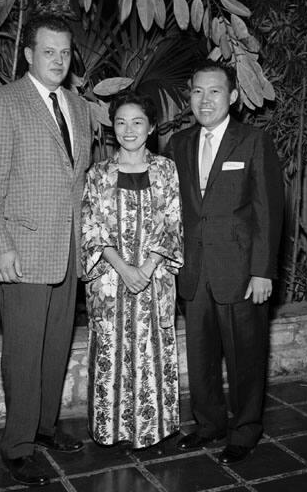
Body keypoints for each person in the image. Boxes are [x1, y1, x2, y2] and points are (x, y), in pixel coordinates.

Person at [0, 13, 93, 486]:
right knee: (23, 351)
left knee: (55, 347)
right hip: (21, 250)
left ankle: (44, 427)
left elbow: (76, 180)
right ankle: (17, 446)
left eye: (65, 53)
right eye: (49, 52)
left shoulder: (78, 107)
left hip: (68, 250)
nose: (58, 61)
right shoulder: (3, 104)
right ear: (28, 55)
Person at [166, 60, 284, 464]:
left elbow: (268, 211)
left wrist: (262, 271)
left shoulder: (253, 141)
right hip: (193, 270)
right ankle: (209, 423)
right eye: (198, 91)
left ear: (232, 97)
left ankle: (245, 429)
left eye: (214, 91)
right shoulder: (178, 144)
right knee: (200, 357)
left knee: (245, 355)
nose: (205, 99)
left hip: (240, 270)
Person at [80, 91, 183, 450]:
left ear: (151, 127)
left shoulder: (166, 170)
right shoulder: (98, 174)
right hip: (109, 281)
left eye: (137, 122)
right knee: (111, 347)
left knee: (151, 348)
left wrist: (148, 266)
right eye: (121, 122)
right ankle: (111, 429)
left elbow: (173, 223)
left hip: (155, 281)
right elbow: (91, 227)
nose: (128, 129)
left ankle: (152, 427)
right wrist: (124, 269)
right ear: (112, 127)